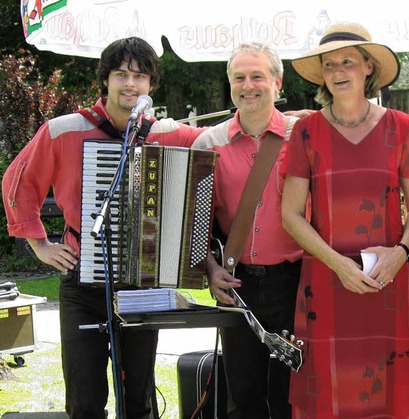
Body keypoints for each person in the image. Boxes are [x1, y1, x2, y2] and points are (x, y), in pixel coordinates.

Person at [2, 37, 205, 418]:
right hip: (82, 282)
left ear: (150, 86)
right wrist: (40, 244)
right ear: (106, 79)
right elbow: (17, 182)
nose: (131, 83)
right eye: (122, 74)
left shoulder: (165, 132)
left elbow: (223, 143)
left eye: (140, 76)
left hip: (142, 282)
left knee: (139, 399)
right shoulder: (64, 130)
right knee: (84, 397)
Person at [281, 22, 409, 418]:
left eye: (347, 61)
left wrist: (401, 254)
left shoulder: (401, 127)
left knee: (391, 393)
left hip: (387, 281)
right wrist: (338, 264)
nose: (338, 71)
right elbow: (290, 214)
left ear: (368, 67)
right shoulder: (306, 131)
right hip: (326, 283)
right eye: (329, 65)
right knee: (327, 392)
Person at [192, 42, 302, 419]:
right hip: (237, 285)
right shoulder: (209, 143)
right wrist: (209, 269)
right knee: (244, 395)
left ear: (277, 82)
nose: (248, 85)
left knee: (296, 394)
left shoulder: (302, 135)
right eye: (239, 77)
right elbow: (197, 224)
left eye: (258, 76)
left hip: (297, 281)